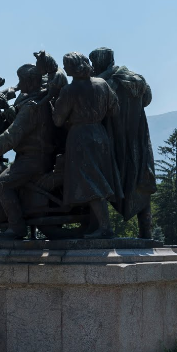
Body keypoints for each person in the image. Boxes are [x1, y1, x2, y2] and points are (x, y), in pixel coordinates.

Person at [0, 64, 55, 240]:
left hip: (32, 159)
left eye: (21, 80)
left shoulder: (32, 106)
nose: (19, 83)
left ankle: (17, 228)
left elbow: (13, 134)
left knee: (1, 184)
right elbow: (22, 124)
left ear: (30, 81)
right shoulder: (39, 100)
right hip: (37, 156)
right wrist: (7, 108)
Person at [52, 52, 121, 239]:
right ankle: (97, 225)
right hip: (100, 135)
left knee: (91, 182)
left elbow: (58, 120)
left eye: (66, 65)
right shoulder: (102, 84)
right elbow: (115, 109)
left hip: (80, 138)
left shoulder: (69, 90)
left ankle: (105, 227)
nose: (64, 69)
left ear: (73, 67)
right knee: (96, 179)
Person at [90, 47, 157, 239]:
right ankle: (146, 232)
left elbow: (97, 105)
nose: (93, 67)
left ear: (102, 62)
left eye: (95, 63)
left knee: (104, 181)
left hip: (114, 140)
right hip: (138, 138)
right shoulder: (138, 78)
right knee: (141, 182)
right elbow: (148, 99)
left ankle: (100, 227)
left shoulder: (105, 82)